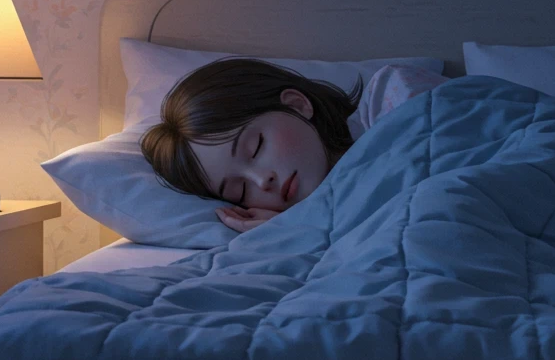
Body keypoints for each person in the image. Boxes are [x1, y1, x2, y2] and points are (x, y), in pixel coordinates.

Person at [139, 58, 448, 232]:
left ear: (298, 105)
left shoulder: (393, 94)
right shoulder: (302, 226)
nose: (263, 180)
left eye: (256, 146)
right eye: (240, 191)